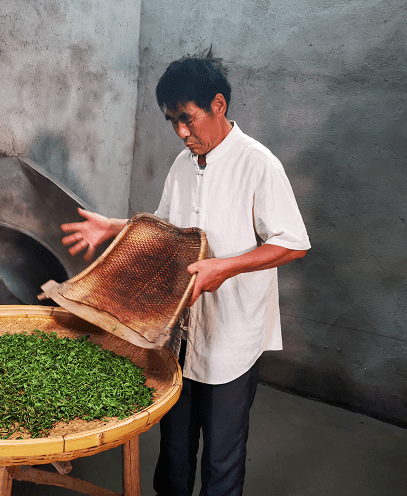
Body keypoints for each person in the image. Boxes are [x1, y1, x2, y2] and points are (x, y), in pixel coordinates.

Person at [61, 49, 310, 496]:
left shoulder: (259, 163)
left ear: (219, 105)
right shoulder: (182, 165)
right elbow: (166, 231)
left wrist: (224, 268)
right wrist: (116, 227)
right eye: (171, 121)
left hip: (232, 337)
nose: (180, 132)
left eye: (187, 118)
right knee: (174, 451)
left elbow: (293, 243)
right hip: (177, 332)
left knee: (221, 457)